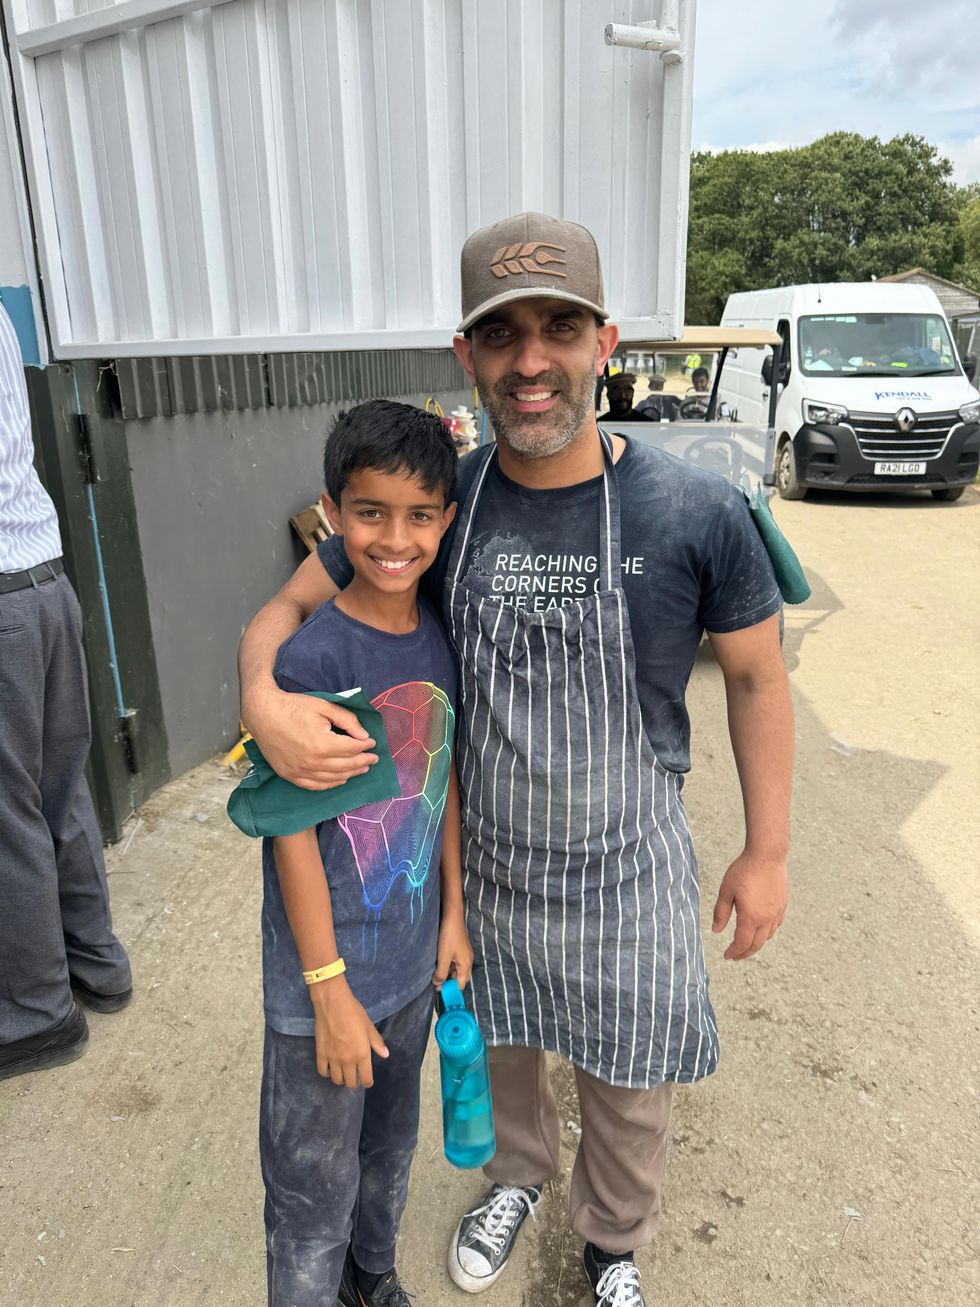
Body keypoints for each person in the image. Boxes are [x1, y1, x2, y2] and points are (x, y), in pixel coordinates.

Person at [238, 212, 793, 1307]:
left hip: (627, 862)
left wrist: (765, 849)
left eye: (559, 329)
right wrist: (262, 696)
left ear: (605, 342)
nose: (530, 360)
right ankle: (516, 1178)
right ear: (468, 355)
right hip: (485, 861)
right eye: (501, 334)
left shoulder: (693, 510)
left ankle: (612, 1241)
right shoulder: (440, 504)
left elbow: (755, 678)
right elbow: (289, 605)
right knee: (499, 1047)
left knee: (629, 1068)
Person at [254, 400, 472, 1307]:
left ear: (446, 519)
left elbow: (439, 779)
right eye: (371, 512)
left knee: (390, 1149)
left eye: (420, 515)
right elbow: (292, 837)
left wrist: (454, 916)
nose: (396, 538)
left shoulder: (439, 634)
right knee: (311, 1191)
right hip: (323, 990)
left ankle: (372, 1277)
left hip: (412, 970)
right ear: (331, 514)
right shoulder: (311, 663)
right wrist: (328, 990)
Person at [0, 300, 132, 1084]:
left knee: (7, 813)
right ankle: (97, 964)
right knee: (59, 788)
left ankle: (35, 1012)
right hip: (43, 578)